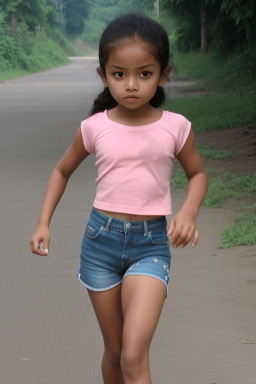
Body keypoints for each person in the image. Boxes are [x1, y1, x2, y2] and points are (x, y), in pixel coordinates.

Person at [30, 13, 208, 384]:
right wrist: (43, 222)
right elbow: (61, 170)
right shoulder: (94, 127)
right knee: (113, 353)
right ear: (103, 75)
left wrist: (189, 210)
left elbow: (198, 174)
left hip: (151, 246)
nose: (131, 85)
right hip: (100, 244)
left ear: (163, 74)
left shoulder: (175, 127)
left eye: (144, 74)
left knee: (132, 355)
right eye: (119, 74)